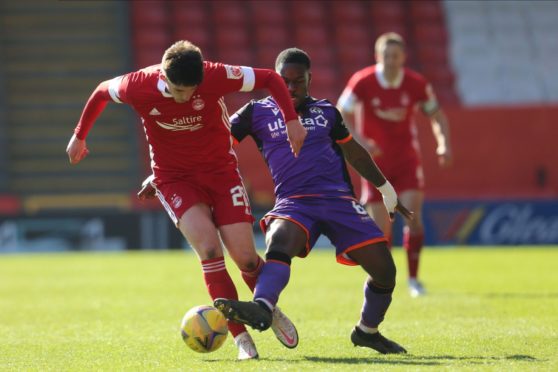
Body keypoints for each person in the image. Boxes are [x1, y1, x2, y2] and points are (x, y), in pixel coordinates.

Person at [66, 40, 307, 360]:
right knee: (209, 250)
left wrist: (291, 119)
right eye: (179, 91)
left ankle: (267, 308)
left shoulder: (216, 75)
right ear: (165, 77)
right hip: (175, 180)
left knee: (247, 259)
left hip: (221, 175)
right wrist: (80, 135)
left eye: (191, 91)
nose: (185, 97)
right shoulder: (138, 85)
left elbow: (269, 78)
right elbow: (100, 91)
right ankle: (241, 340)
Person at [205, 47, 413, 354]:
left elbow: (353, 151)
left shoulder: (327, 111)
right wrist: (169, 173)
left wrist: (386, 190)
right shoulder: (255, 112)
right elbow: (213, 142)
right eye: (284, 81)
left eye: (298, 81)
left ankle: (367, 332)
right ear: (274, 81)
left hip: (338, 200)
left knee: (385, 271)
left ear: (309, 79)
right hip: (294, 201)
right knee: (279, 239)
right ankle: (262, 307)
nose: (291, 88)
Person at [337, 32, 452, 297]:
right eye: (386, 55)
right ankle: (384, 282)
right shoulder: (362, 81)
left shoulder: (416, 84)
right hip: (374, 165)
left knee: (413, 219)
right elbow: (342, 111)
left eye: (395, 56)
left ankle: (414, 280)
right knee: (380, 232)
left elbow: (437, 116)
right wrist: (360, 140)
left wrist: (444, 143)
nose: (390, 61)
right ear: (378, 57)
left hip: (407, 161)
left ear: (403, 58)